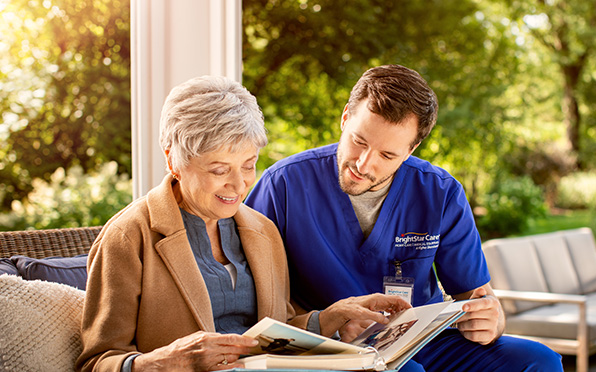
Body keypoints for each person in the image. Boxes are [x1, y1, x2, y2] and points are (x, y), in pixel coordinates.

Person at [76, 75, 409, 372]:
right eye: (220, 170)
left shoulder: (263, 231)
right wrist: (166, 362)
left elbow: (273, 335)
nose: (238, 186)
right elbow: (97, 362)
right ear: (172, 159)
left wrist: (333, 317)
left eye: (248, 165)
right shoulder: (127, 237)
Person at [245, 64, 564, 371]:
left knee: (539, 360)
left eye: (387, 155)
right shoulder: (284, 185)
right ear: (345, 117)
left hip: (419, 341)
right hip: (328, 345)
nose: (364, 164)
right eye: (359, 141)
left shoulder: (440, 193)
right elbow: (249, 296)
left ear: (412, 149)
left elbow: (477, 296)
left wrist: (493, 320)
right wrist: (326, 319)